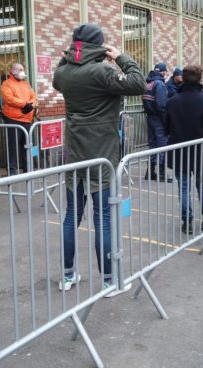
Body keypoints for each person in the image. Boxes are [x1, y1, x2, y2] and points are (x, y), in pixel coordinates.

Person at [53, 23, 145, 297]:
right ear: (100, 46)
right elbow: (138, 83)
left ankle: (68, 275)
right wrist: (119, 57)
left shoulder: (63, 73)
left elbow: (59, 74)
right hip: (101, 155)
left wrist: (66, 56)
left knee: (72, 216)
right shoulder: (103, 71)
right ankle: (108, 281)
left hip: (75, 155)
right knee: (103, 217)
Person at [165, 65, 203, 234]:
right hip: (199, 151)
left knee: (183, 187)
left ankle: (187, 222)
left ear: (183, 77)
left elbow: (166, 127)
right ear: (199, 79)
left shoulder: (172, 101)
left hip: (178, 150)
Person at [1, 63, 37, 175]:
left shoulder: (26, 84)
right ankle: (12, 171)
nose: (23, 71)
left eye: (23, 69)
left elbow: (34, 97)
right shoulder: (6, 84)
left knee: (27, 146)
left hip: (27, 119)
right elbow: (9, 99)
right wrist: (25, 104)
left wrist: (31, 105)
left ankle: (28, 169)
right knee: (13, 147)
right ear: (13, 71)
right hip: (13, 119)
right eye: (20, 69)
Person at [142, 62, 171, 182]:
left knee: (153, 146)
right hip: (159, 119)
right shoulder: (160, 84)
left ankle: (150, 173)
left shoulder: (148, 83)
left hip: (150, 117)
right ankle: (162, 174)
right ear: (163, 72)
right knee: (162, 146)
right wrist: (166, 121)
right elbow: (161, 105)